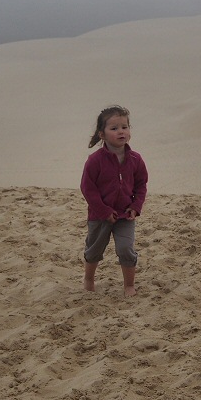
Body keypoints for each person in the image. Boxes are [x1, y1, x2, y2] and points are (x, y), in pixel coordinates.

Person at [80, 105, 148, 297]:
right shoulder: (95, 161)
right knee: (94, 250)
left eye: (125, 127)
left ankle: (129, 285)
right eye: (114, 128)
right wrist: (103, 211)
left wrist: (136, 206)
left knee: (126, 249)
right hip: (99, 216)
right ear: (102, 134)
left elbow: (141, 185)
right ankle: (89, 280)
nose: (121, 132)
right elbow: (88, 189)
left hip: (125, 215)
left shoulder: (136, 159)